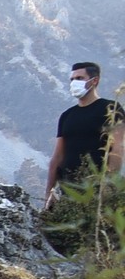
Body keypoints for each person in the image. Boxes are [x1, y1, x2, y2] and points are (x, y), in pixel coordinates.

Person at [46, 61, 124, 205]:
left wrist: (109, 186)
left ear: (94, 80)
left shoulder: (111, 108)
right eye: (72, 79)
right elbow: (57, 157)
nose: (74, 82)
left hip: (95, 190)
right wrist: (49, 194)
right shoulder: (67, 116)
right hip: (67, 191)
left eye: (80, 78)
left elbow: (117, 149)